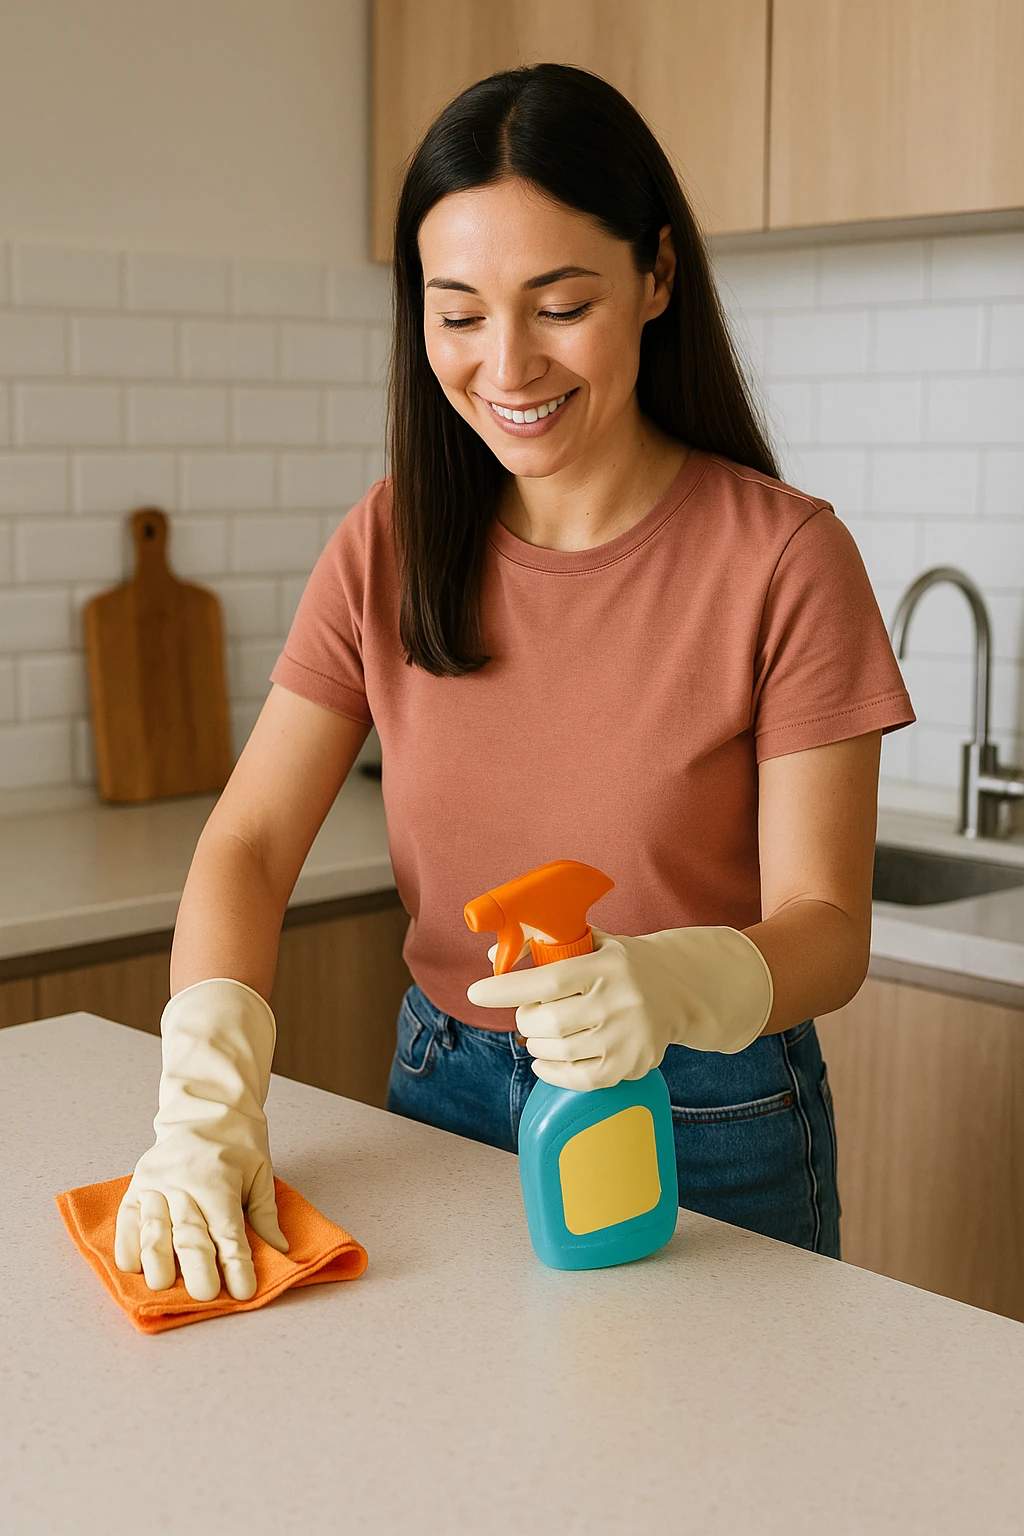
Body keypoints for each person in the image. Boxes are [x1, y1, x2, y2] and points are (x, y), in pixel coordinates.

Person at [114, 63, 914, 1302]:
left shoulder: (783, 558)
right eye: (459, 313)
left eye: (557, 304)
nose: (507, 364)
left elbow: (827, 927)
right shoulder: (389, 542)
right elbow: (251, 844)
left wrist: (670, 981)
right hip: (445, 1089)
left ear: (654, 277)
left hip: (704, 1111)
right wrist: (205, 1105)